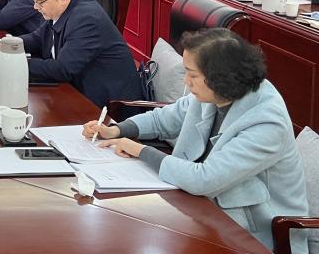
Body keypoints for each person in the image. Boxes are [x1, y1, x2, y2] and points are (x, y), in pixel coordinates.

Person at [84, 28, 308, 252]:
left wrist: (140, 150)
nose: (186, 81)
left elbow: (204, 179)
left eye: (192, 75)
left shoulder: (267, 122)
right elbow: (164, 118)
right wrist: (117, 130)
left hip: (254, 234)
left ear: (219, 78)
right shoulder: (216, 92)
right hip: (199, 208)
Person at [0, 0, 145, 109]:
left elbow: (62, 69)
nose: (35, 7)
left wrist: (8, 64)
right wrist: (3, 45)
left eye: (39, 2)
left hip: (107, 108)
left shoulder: (86, 19)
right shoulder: (63, 7)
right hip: (76, 92)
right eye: (33, 0)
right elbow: (38, 38)